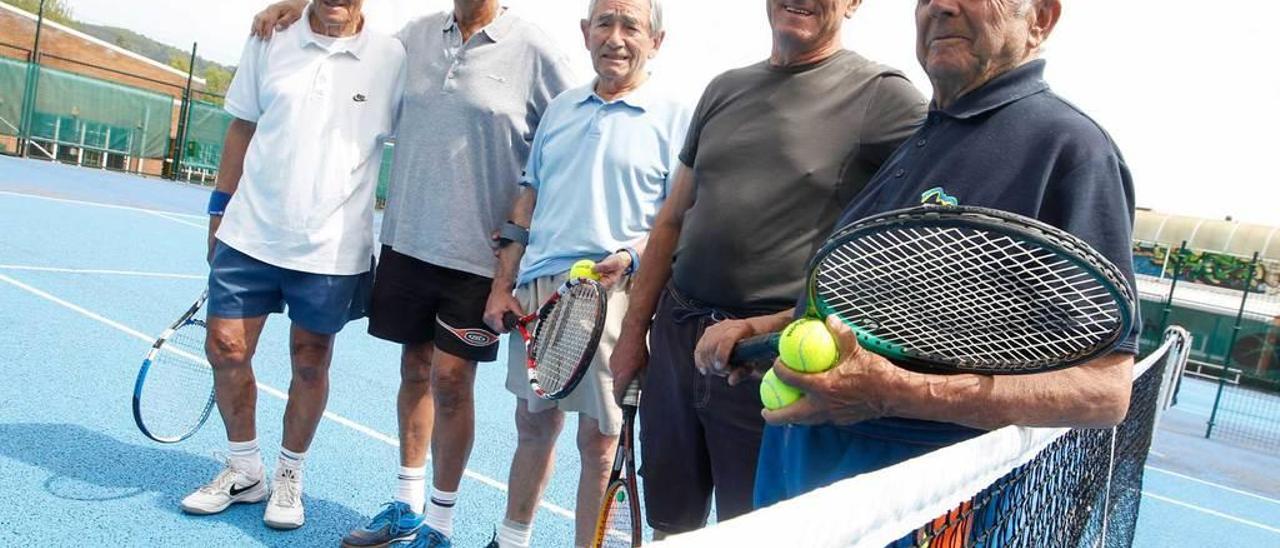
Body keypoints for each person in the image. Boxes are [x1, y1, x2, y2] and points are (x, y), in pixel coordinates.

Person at [694, 0, 1142, 510]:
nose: (940, 8)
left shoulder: (1071, 149)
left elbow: (1106, 390)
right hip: (800, 486)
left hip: (912, 510)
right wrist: (765, 329)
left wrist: (895, 393)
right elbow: (889, 304)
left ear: (1040, 18)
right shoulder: (926, 134)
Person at [250, 1, 575, 546]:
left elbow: (566, 137)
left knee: (452, 382)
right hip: (407, 242)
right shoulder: (413, 38)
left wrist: (521, 243)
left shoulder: (538, 51)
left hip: (479, 256)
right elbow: (346, 40)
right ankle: (406, 503)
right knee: (414, 370)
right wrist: (296, 6)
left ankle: (440, 525)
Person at [609, 0, 928, 537]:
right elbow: (670, 222)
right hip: (677, 338)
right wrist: (632, 335)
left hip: (763, 359)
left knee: (756, 534)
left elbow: (928, 221)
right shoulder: (722, 89)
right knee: (672, 525)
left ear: (854, 4)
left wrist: (781, 327)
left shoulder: (884, 95)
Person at [181, 0, 405, 531]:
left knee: (310, 362)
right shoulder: (268, 37)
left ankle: (288, 475)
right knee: (225, 347)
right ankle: (244, 469)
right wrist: (218, 207)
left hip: (331, 246)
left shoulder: (394, 56)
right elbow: (242, 126)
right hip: (249, 232)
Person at [480, 1, 687, 546]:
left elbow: (679, 217)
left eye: (630, 27)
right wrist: (504, 283)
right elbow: (528, 196)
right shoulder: (561, 108)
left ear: (656, 41)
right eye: (604, 24)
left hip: (616, 297)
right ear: (585, 33)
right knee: (533, 425)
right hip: (543, 290)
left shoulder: (674, 118)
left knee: (600, 445)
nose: (615, 38)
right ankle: (511, 538)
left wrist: (633, 257)